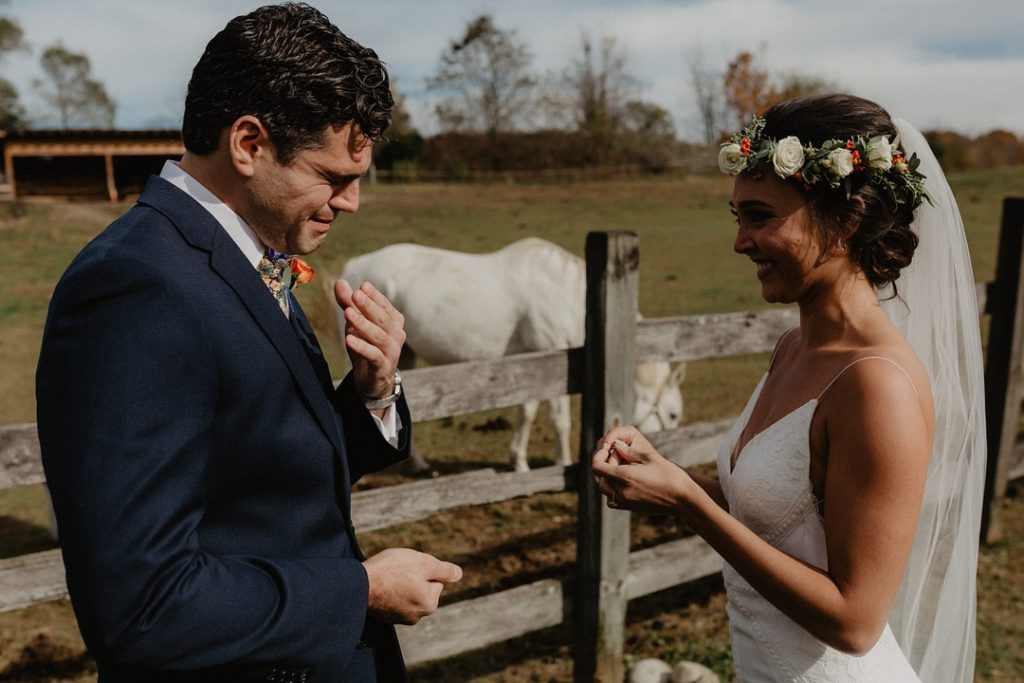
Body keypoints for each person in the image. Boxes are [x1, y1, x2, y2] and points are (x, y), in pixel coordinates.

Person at [35, 3, 462, 681]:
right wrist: (360, 591)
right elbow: (140, 605)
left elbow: (260, 470)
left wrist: (372, 393)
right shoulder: (134, 288)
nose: (350, 202)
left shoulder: (247, 253)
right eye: (332, 177)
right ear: (248, 144)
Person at [591, 94, 986, 682]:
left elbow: (856, 623)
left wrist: (688, 504)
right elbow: (776, 521)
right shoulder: (792, 348)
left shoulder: (877, 384)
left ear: (847, 219)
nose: (740, 242)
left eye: (761, 216)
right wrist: (666, 475)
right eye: (739, 218)